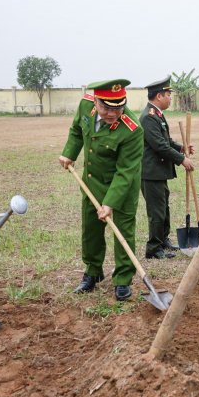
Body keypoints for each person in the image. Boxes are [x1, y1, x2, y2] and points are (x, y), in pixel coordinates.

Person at [59, 80, 143, 300]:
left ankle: (123, 279)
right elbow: (77, 130)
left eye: (118, 108)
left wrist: (110, 203)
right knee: (91, 229)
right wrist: (70, 152)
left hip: (123, 186)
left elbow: (125, 171)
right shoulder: (85, 105)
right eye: (106, 108)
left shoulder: (132, 129)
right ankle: (93, 272)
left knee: (123, 231)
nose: (112, 114)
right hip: (92, 181)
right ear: (95, 101)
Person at [139, 76, 193, 259]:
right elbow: (159, 146)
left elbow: (166, 141)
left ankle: (163, 240)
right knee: (156, 211)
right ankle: (153, 248)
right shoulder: (148, 117)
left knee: (164, 207)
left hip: (158, 172)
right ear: (159, 96)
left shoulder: (157, 114)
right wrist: (181, 159)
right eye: (168, 95)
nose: (170, 98)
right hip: (151, 172)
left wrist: (181, 148)